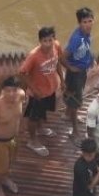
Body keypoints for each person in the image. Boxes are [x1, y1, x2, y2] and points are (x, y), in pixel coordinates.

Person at [18, 25, 62, 156]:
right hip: (38, 94)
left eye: (50, 40)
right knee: (33, 117)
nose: (48, 44)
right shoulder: (34, 56)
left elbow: (58, 61)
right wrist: (34, 90)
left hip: (51, 88)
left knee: (43, 113)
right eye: (45, 41)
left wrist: (62, 80)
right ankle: (32, 140)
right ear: (40, 41)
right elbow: (22, 73)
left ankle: (41, 128)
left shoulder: (56, 46)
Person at [62, 7, 96, 135]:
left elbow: (86, 48)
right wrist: (70, 68)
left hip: (82, 71)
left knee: (73, 96)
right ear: (79, 23)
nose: (88, 24)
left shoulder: (87, 34)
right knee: (76, 101)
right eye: (84, 22)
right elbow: (62, 57)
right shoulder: (77, 39)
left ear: (93, 20)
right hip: (75, 74)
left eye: (90, 21)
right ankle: (74, 129)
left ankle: (66, 115)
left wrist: (91, 58)